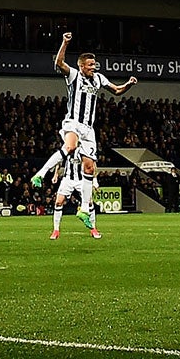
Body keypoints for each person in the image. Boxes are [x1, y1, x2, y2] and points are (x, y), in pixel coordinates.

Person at [53, 32, 138, 230]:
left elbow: (116, 91)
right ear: (81, 65)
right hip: (74, 124)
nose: (93, 67)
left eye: (94, 64)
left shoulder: (98, 78)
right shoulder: (74, 75)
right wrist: (65, 42)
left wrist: (128, 84)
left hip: (89, 129)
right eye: (90, 65)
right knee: (71, 149)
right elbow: (59, 63)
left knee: (90, 168)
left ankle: (84, 209)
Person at [44, 141, 99, 241]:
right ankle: (56, 230)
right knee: (58, 202)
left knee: (89, 203)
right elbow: (60, 161)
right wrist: (56, 174)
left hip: (81, 180)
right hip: (68, 179)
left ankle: (93, 229)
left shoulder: (85, 148)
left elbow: (92, 164)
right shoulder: (68, 146)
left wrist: (94, 180)